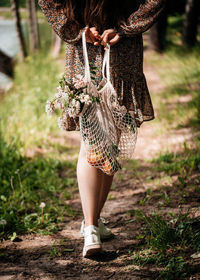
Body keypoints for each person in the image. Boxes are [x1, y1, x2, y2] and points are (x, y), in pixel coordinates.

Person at [39, 0, 166, 258]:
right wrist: (124, 27)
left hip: (95, 44)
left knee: (101, 139)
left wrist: (76, 30)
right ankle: (90, 228)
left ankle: (93, 223)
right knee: (102, 138)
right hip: (110, 47)